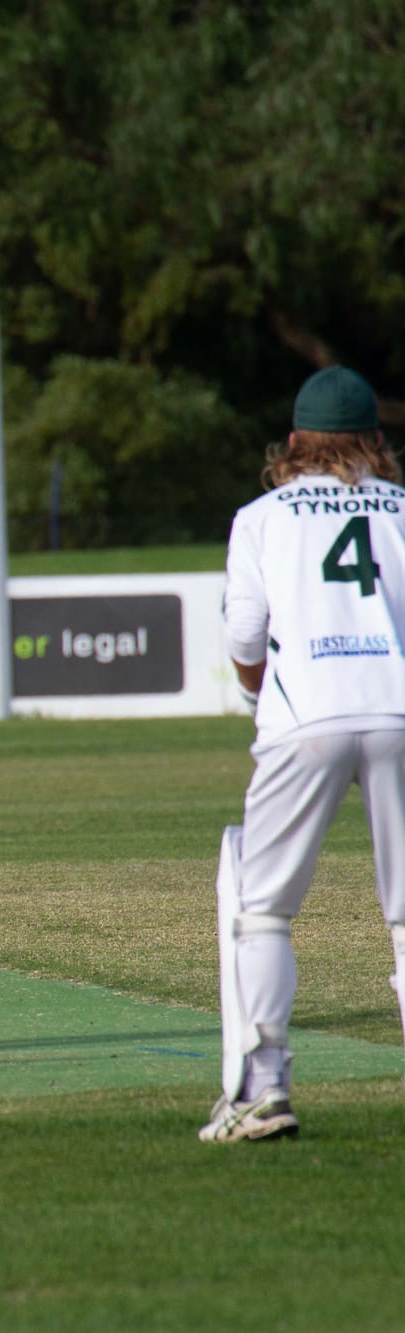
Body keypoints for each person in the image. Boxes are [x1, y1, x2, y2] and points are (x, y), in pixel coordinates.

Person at [203, 364, 405, 1143]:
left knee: (266, 909)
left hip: (305, 713)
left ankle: (265, 1085)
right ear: (376, 443)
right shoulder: (399, 509)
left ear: (292, 443)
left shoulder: (262, 515)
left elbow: (245, 638)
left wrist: (263, 694)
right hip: (398, 708)